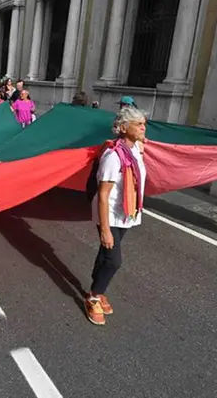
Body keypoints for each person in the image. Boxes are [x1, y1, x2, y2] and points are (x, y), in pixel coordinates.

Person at [83, 107, 147, 326]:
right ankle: (93, 296)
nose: (143, 128)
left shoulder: (136, 148)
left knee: (106, 253)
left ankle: (98, 290)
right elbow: (103, 196)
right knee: (114, 260)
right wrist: (106, 229)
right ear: (123, 127)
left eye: (143, 123)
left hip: (126, 213)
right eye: (138, 124)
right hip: (109, 214)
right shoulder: (113, 157)